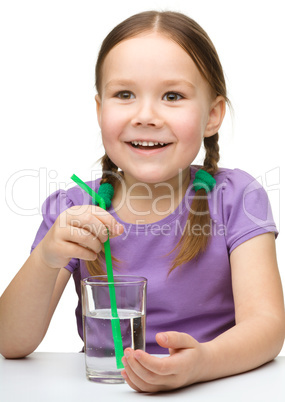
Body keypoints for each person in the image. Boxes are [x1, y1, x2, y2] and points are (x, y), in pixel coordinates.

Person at [0, 10, 284, 392]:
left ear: (213, 115)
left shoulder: (235, 198)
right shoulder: (75, 207)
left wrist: (201, 364)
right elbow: (11, 342)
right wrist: (46, 257)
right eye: (124, 95)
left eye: (172, 96)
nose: (146, 115)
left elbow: (267, 326)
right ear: (100, 111)